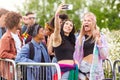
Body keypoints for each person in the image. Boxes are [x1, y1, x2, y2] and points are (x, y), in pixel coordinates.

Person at [73, 12, 109, 80]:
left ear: (93, 23)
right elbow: (76, 56)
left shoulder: (101, 37)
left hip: (96, 71)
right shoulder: (80, 38)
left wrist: (99, 42)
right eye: (84, 20)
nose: (86, 22)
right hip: (83, 69)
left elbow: (104, 55)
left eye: (89, 20)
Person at [52, 4, 78, 80]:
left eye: (71, 25)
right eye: (66, 24)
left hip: (73, 70)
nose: (68, 26)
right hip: (62, 71)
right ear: (62, 25)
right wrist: (57, 14)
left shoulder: (71, 41)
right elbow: (57, 29)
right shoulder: (58, 38)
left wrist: (75, 61)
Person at [0, 11, 23, 80]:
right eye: (20, 22)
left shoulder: (18, 34)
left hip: (18, 65)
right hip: (11, 68)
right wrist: (15, 56)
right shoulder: (6, 37)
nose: (21, 24)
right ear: (15, 23)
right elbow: (2, 53)